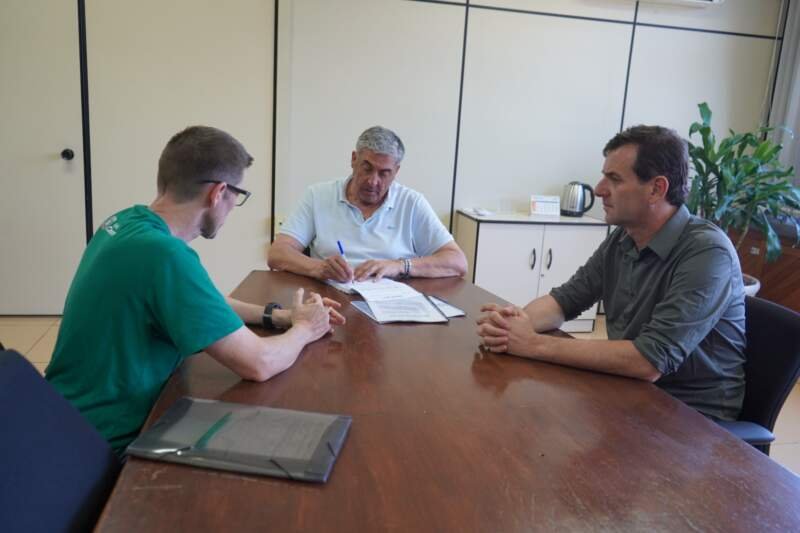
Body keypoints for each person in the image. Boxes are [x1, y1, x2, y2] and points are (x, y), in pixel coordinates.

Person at [46, 126, 345, 454]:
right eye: (238, 196)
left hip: (60, 415)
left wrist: (280, 317)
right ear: (218, 193)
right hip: (101, 441)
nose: (233, 207)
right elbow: (259, 363)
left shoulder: (127, 223)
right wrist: (306, 329)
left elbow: (204, 301)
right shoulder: (164, 255)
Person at [476, 125, 746, 421]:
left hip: (693, 418)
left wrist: (532, 343)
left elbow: (648, 361)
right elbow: (565, 300)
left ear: (656, 189)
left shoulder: (708, 253)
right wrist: (513, 325)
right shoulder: (624, 237)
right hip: (629, 393)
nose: (599, 189)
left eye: (614, 179)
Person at [268, 126, 467, 282]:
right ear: (354, 159)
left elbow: (457, 262)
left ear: (396, 171)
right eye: (367, 168)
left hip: (392, 303)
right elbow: (277, 253)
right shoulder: (318, 195)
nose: (373, 181)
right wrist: (318, 268)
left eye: (384, 173)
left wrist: (399, 266)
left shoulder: (412, 203)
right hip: (331, 299)